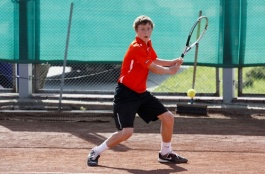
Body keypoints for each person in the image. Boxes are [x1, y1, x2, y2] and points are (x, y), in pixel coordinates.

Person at [87, 15, 188, 166]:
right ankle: (96, 151)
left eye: (148, 28)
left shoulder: (147, 44)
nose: (146, 31)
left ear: (152, 30)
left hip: (141, 93)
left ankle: (165, 153)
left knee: (168, 118)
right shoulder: (136, 47)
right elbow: (153, 67)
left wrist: (173, 61)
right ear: (136, 31)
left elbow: (154, 60)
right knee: (126, 132)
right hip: (126, 94)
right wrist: (170, 71)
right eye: (142, 29)